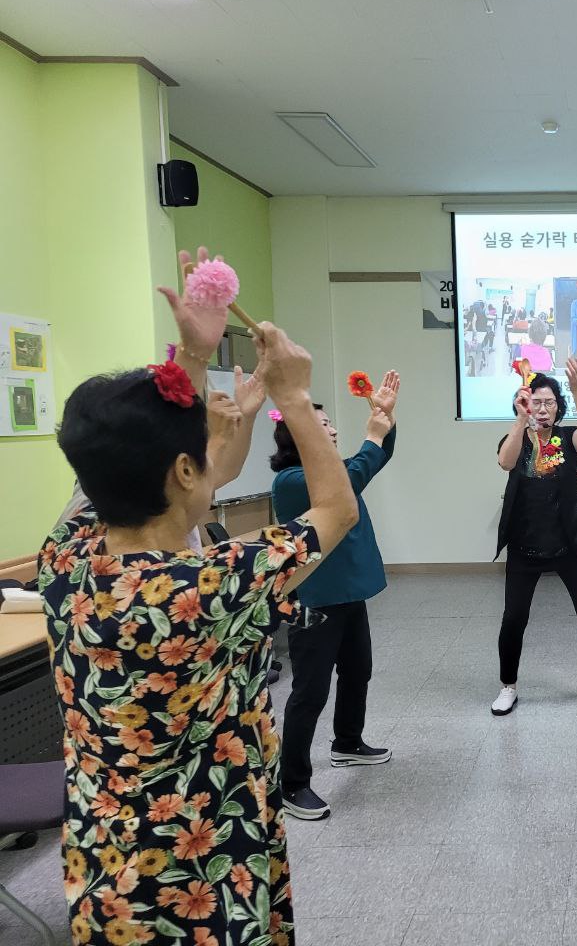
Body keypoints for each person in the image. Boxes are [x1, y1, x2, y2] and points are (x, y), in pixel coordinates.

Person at [40, 247, 357, 945]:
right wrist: (294, 397)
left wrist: (193, 353)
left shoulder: (63, 559)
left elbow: (165, 461)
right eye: (200, 450)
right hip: (206, 858)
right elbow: (335, 511)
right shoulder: (208, 585)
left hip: (107, 856)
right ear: (185, 469)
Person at [270, 371, 401, 821]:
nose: (330, 429)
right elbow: (353, 476)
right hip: (315, 600)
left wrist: (385, 421)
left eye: (329, 424)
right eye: (321, 425)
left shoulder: (333, 470)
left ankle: (347, 742)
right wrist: (371, 436)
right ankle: (293, 784)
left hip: (349, 594)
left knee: (357, 670)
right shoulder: (291, 480)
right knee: (309, 690)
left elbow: (373, 461)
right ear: (297, 436)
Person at [491, 358, 577, 715]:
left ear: (558, 406)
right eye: (535, 401)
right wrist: (521, 419)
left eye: (549, 402)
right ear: (524, 403)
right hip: (525, 547)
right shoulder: (516, 439)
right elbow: (505, 463)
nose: (542, 407)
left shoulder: (568, 439)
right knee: (513, 618)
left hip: (569, 546)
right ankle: (508, 687)